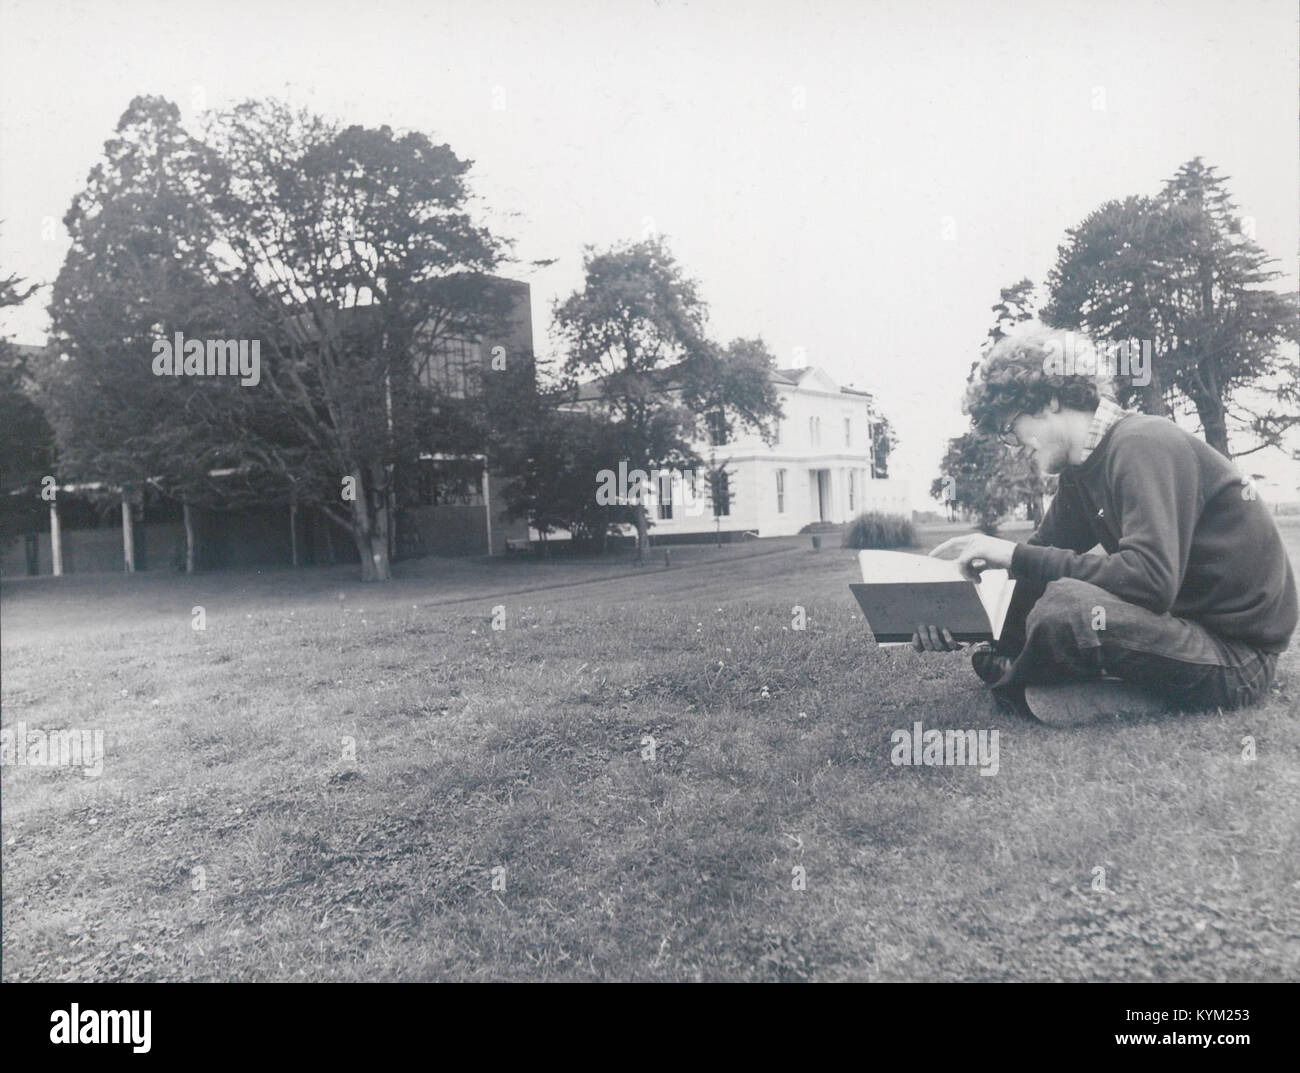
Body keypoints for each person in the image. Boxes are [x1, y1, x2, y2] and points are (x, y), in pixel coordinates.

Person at [913, 323, 1297, 727]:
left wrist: (1013, 554)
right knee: (1048, 595)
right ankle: (1039, 673)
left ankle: (1022, 677)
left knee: (1070, 608)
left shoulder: (1141, 442)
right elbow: (1029, 572)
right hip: (1177, 630)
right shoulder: (1080, 472)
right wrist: (956, 617)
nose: (1016, 445)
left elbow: (1150, 580)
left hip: (1236, 655)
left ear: (1048, 401)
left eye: (1011, 429)